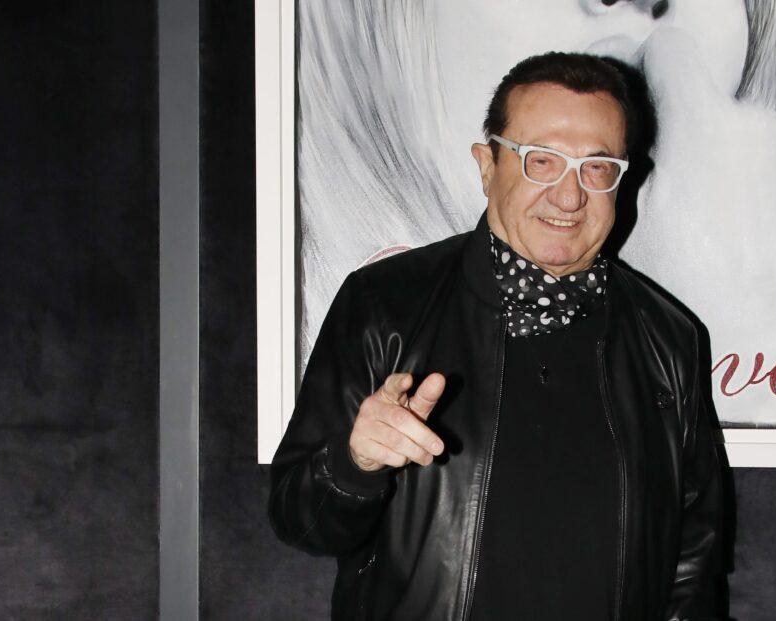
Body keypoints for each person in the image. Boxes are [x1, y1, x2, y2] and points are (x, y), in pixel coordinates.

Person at [270, 51, 726, 620]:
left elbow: (693, 559)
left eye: (596, 166)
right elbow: (298, 520)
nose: (569, 196)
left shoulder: (668, 338)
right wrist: (354, 465)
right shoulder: (384, 304)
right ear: (487, 166)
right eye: (541, 161)